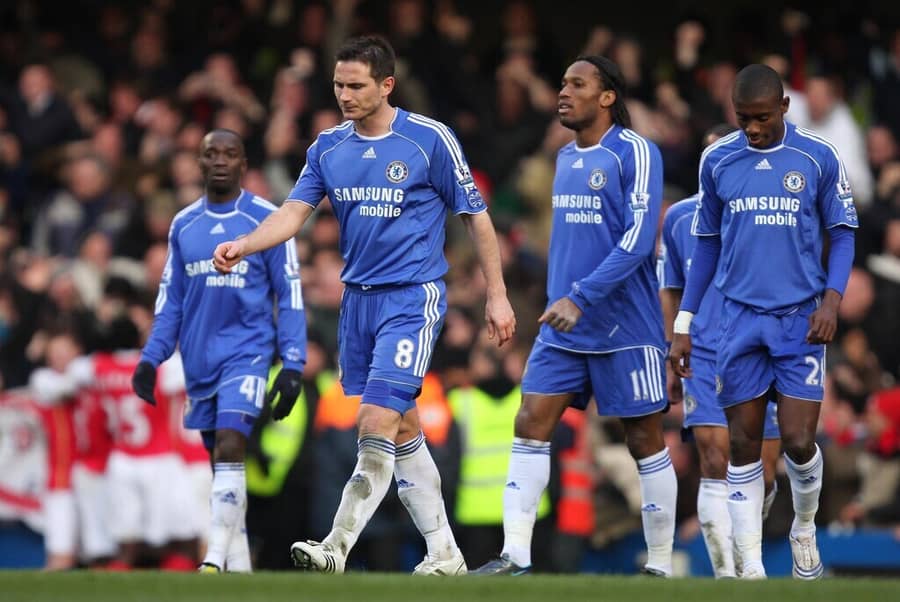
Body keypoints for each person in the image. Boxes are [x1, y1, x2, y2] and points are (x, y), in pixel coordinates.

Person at [212, 35, 516, 576]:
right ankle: (445, 553)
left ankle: (336, 545)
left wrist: (497, 295)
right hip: (358, 303)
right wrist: (245, 244)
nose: (344, 95)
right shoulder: (329, 147)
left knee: (374, 419)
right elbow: (293, 212)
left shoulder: (429, 140)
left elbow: (476, 216)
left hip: (412, 297)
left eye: (355, 85)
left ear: (387, 85)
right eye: (338, 85)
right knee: (402, 428)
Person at [471, 55, 675, 576]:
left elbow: (637, 241)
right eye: (562, 83)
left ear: (607, 96)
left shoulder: (635, 152)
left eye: (577, 84)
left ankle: (659, 564)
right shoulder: (563, 157)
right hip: (563, 325)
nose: (564, 92)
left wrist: (580, 297)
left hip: (625, 326)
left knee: (643, 439)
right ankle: (515, 556)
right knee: (529, 422)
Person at [669, 64, 858, 580]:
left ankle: (803, 527)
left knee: (797, 441)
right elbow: (706, 243)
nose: (751, 128)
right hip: (738, 319)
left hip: (800, 319)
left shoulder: (817, 156)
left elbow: (842, 233)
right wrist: (685, 321)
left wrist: (831, 302)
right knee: (743, 444)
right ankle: (750, 572)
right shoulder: (717, 159)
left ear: (784, 108)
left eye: (761, 118)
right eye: (742, 118)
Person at [133, 128, 308, 573]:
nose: (221, 161)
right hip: (199, 359)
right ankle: (240, 567)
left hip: (248, 353)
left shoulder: (268, 220)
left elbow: (289, 294)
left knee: (231, 444)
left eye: (230, 153)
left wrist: (293, 362)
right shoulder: (184, 225)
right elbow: (171, 301)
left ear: (244, 164)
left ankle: (212, 559)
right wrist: (151, 358)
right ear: (200, 162)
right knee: (221, 464)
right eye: (212, 153)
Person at [659, 124, 782, 578]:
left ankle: (747, 546)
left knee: (762, 471)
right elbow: (671, 287)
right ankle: (727, 577)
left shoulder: (767, 213)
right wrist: (672, 345)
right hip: (704, 353)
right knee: (714, 458)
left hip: (758, 351)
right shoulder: (679, 219)